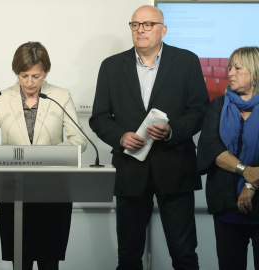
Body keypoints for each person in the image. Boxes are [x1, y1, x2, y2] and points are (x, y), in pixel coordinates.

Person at [89, 5, 210, 270]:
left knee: (184, 254)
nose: (140, 30)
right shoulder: (111, 66)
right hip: (131, 170)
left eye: (148, 24)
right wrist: (120, 136)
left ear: (163, 29)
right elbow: (98, 117)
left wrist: (172, 131)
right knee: (129, 256)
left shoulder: (186, 60)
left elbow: (200, 110)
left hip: (176, 168)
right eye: (135, 25)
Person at [0, 41, 87, 270]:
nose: (30, 83)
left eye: (36, 76)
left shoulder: (60, 96)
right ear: (16, 72)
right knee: (19, 261)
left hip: (53, 189)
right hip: (14, 190)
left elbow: (79, 140)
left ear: (45, 72)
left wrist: (47, 155)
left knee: (49, 262)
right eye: (24, 76)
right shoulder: (0, 98)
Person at [197, 46, 259, 270]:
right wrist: (246, 170)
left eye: (238, 68)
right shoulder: (219, 105)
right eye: (229, 68)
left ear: (255, 73)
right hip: (226, 206)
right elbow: (211, 148)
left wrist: (251, 184)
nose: (230, 73)